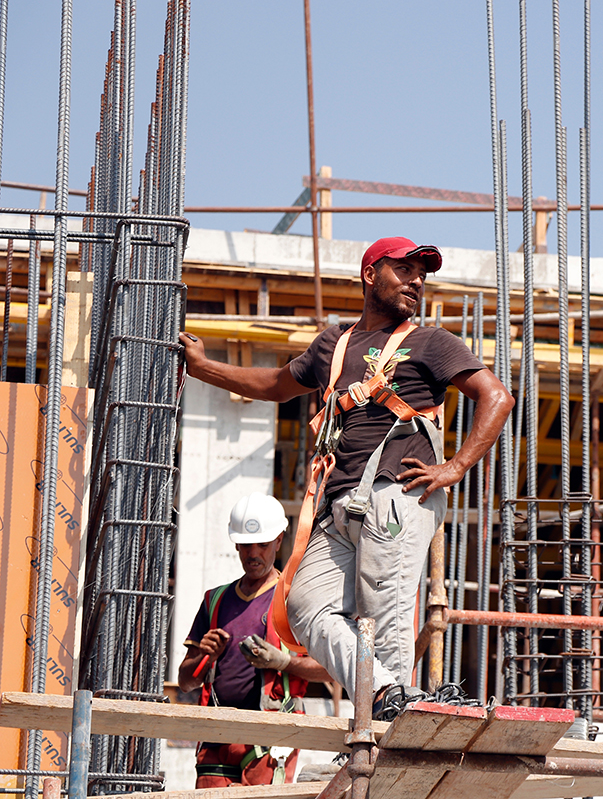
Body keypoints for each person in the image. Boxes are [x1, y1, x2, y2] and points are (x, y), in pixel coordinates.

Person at [179, 236, 514, 719]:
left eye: (421, 274)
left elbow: (496, 396)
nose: (416, 281)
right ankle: (386, 695)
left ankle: (392, 725)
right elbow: (276, 385)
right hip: (338, 504)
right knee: (305, 607)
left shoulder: (431, 342)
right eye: (404, 270)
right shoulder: (332, 343)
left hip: (396, 493)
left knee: (385, 617)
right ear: (370, 274)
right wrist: (204, 369)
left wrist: (455, 467)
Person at [178, 492, 332, 787]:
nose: (253, 554)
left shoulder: (293, 602)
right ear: (236, 544)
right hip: (216, 734)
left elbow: (329, 670)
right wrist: (205, 657)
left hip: (270, 737)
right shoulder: (215, 601)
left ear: (279, 541)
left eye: (262, 544)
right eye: (246, 545)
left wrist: (283, 662)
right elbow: (185, 682)